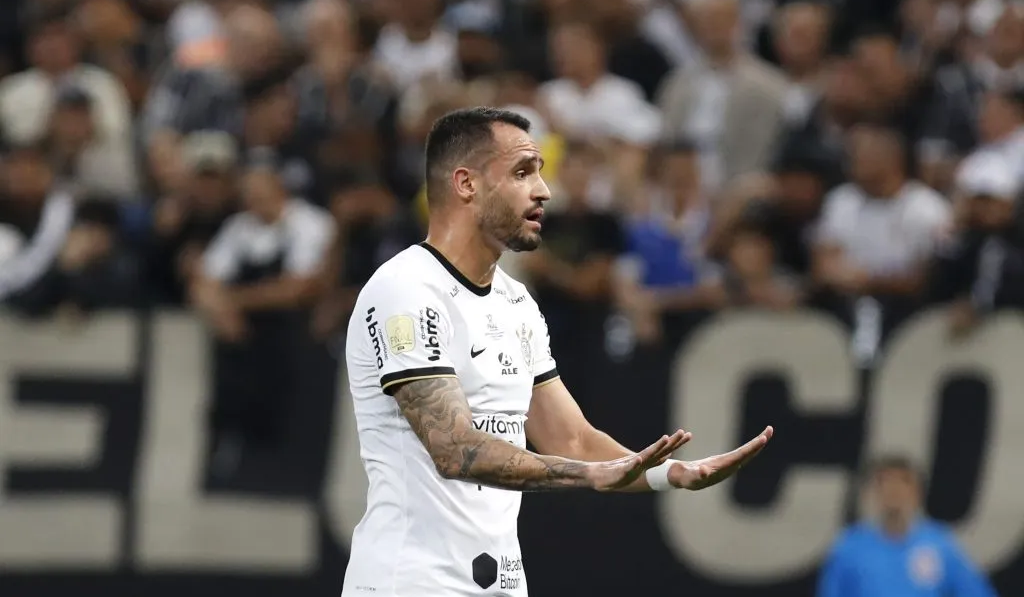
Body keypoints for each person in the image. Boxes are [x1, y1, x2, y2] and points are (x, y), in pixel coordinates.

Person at [342, 106, 774, 596]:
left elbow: (570, 439)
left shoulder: (515, 301)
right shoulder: (407, 290)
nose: (544, 191)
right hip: (411, 582)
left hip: (497, 585)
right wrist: (589, 475)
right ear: (466, 184)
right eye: (523, 172)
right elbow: (454, 448)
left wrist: (669, 474)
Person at [817, 455, 997, 597]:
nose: (894, 491)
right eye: (885, 483)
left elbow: (975, 592)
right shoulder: (849, 548)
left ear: (917, 492)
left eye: (903, 483)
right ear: (872, 493)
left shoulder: (940, 546)